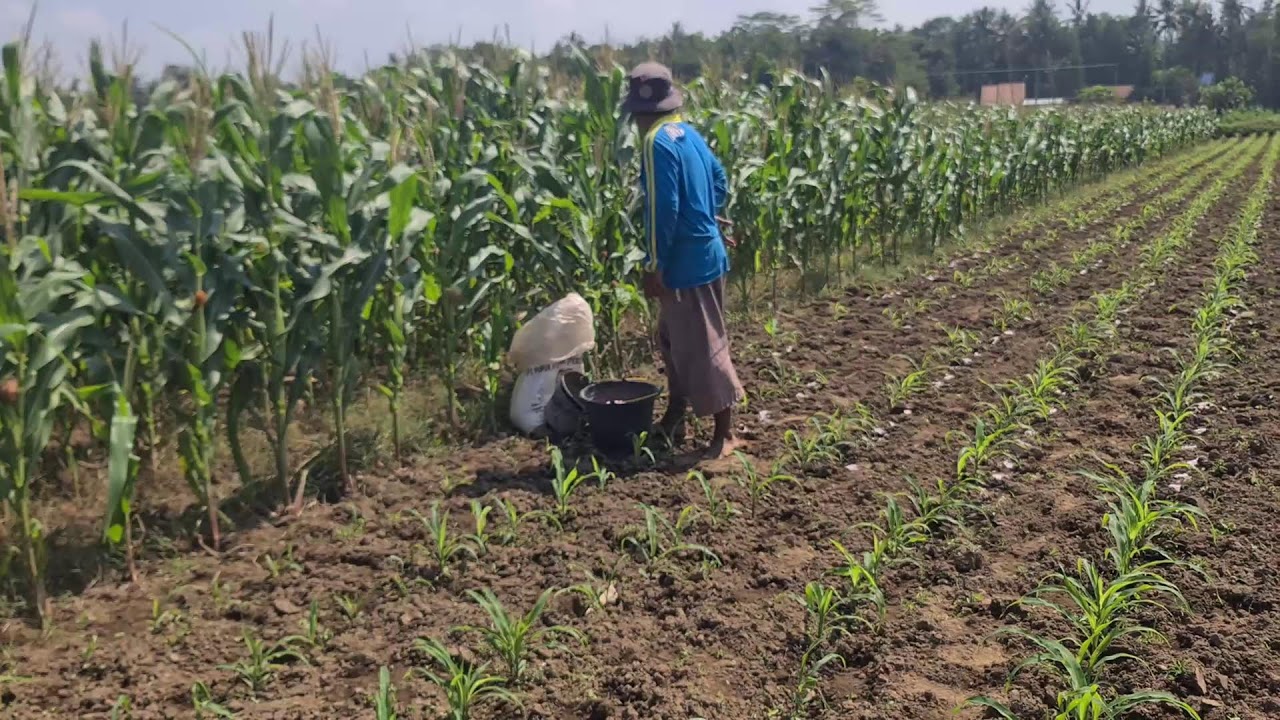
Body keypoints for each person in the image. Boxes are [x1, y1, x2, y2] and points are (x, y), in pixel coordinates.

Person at [622, 62, 744, 459]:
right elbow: (720, 180)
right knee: (673, 340)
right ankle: (676, 415)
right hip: (707, 252)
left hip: (685, 263)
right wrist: (707, 214)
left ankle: (724, 435)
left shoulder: (656, 142)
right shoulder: (688, 134)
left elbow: (663, 207)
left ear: (639, 114)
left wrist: (656, 264)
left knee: (701, 345)